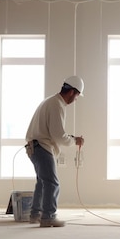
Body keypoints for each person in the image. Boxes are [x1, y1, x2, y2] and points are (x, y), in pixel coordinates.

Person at [25, 76, 85, 227]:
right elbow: (58, 136)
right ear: (72, 92)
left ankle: (35, 214)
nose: (76, 100)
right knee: (52, 183)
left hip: (34, 147)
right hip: (42, 147)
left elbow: (54, 132)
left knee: (42, 182)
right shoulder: (57, 104)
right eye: (77, 96)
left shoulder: (50, 101)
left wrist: (71, 138)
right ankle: (48, 217)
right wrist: (74, 140)